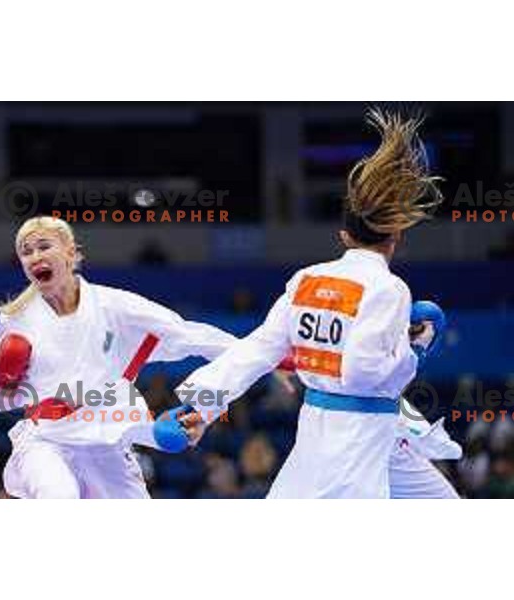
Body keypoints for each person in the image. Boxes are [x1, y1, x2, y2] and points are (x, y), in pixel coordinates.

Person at [177, 109, 452, 498]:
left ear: (343, 236)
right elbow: (361, 371)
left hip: (334, 427)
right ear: (396, 236)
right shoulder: (388, 288)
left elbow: (257, 350)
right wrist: (412, 354)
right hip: (357, 442)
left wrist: (203, 405)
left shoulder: (307, 279)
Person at [0, 215, 239, 499]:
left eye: (44, 246)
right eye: (26, 252)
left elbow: (194, 337)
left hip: (104, 445)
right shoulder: (17, 321)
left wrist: (271, 360)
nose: (34, 256)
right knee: (59, 496)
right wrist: (7, 380)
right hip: (45, 441)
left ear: (70, 251)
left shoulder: (115, 307)